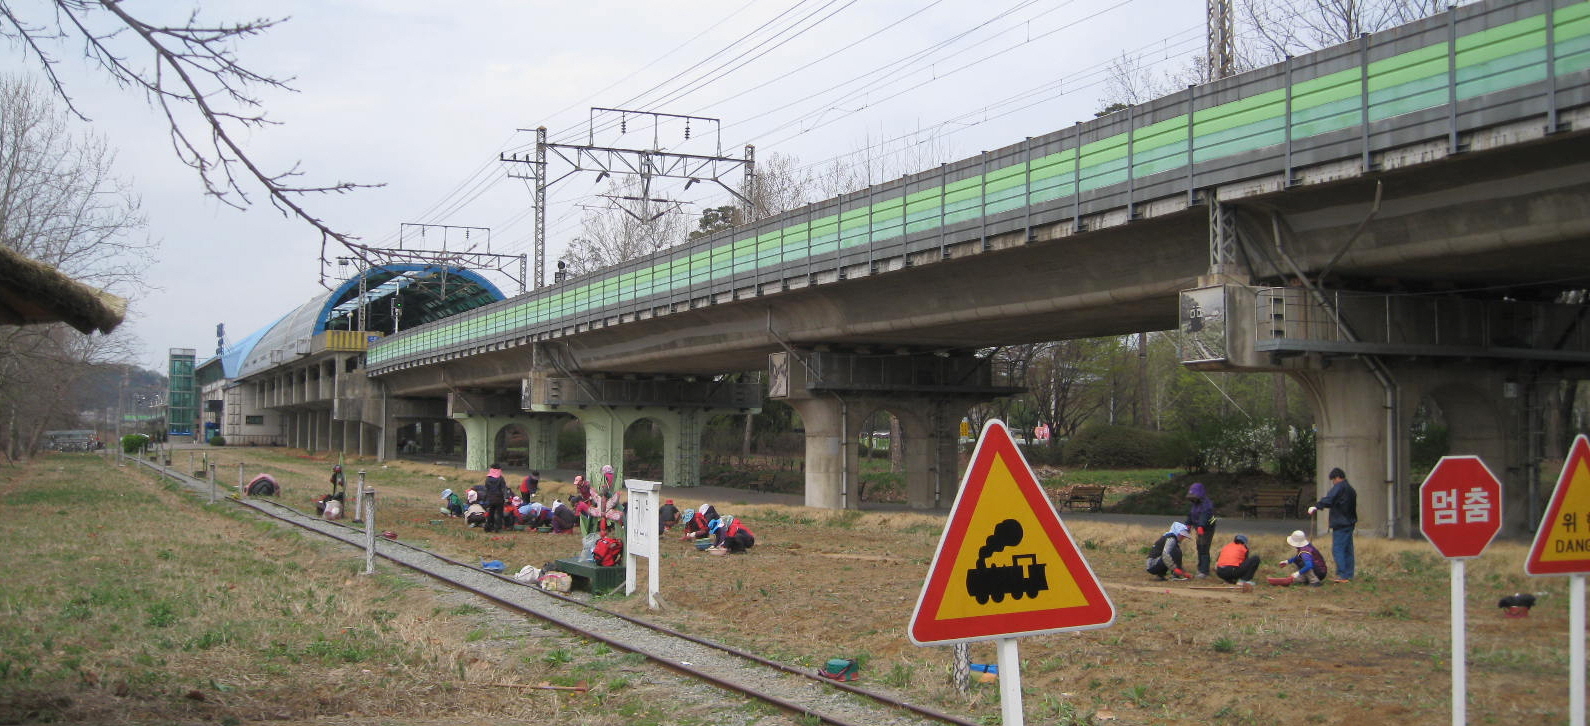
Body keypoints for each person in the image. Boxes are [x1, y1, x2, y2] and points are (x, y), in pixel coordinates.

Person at [1308, 467, 1357, 583]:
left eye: (1333, 480)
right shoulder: (1351, 489)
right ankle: (1349, 574)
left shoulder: (1339, 487)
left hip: (1340, 523)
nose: (1333, 483)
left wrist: (1317, 506)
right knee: (1348, 549)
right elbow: (1338, 502)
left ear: (1337, 477)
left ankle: (1342, 575)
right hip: (1350, 523)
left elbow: (1330, 499)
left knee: (1338, 549)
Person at [1185, 481, 1217, 578]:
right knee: (1199, 548)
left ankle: (1204, 571)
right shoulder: (1195, 504)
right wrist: (1188, 524)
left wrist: (1201, 526)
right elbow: (1191, 514)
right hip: (1199, 528)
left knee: (1204, 548)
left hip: (1207, 529)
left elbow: (1205, 515)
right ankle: (1200, 568)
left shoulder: (1207, 504)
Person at [482, 463, 510, 533]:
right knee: (499, 513)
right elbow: (504, 489)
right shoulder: (500, 478)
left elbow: (486, 489)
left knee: (491, 513)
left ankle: (488, 527)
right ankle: (497, 528)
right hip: (499, 499)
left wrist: (484, 498)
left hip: (490, 498)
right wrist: (506, 497)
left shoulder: (488, 478)